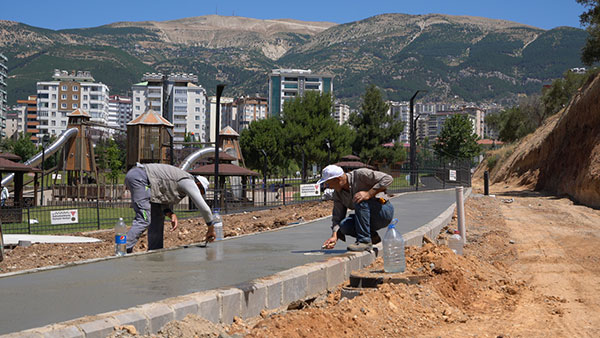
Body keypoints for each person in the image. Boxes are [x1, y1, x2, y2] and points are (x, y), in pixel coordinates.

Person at [124, 163, 218, 253]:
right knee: (144, 219)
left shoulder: (179, 181)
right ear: (198, 185)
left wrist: (169, 213)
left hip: (142, 178)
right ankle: (122, 249)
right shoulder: (188, 181)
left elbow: (160, 198)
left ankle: (155, 251)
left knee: (157, 215)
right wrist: (211, 228)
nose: (200, 194)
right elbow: (204, 208)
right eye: (201, 192)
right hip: (141, 178)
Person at [320, 164, 394, 252]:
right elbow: (337, 216)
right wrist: (334, 236)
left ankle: (364, 241)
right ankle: (372, 237)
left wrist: (369, 194)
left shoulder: (360, 175)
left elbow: (388, 179)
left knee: (359, 198)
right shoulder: (338, 194)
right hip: (367, 218)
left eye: (328, 183)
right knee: (344, 225)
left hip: (383, 211)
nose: (328, 186)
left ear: (338, 179)